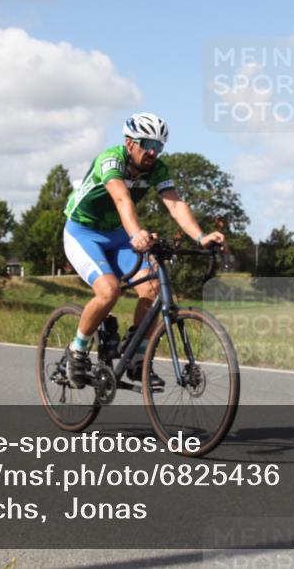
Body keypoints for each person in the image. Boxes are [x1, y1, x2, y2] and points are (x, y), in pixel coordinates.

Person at [62, 113, 225, 389]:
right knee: (109, 291)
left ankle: (137, 358)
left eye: (159, 146)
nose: (153, 151)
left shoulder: (157, 169)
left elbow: (175, 205)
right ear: (129, 143)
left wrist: (201, 237)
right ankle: (76, 350)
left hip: (117, 235)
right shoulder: (111, 160)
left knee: (151, 291)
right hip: (84, 232)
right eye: (148, 143)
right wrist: (137, 234)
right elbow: (121, 198)